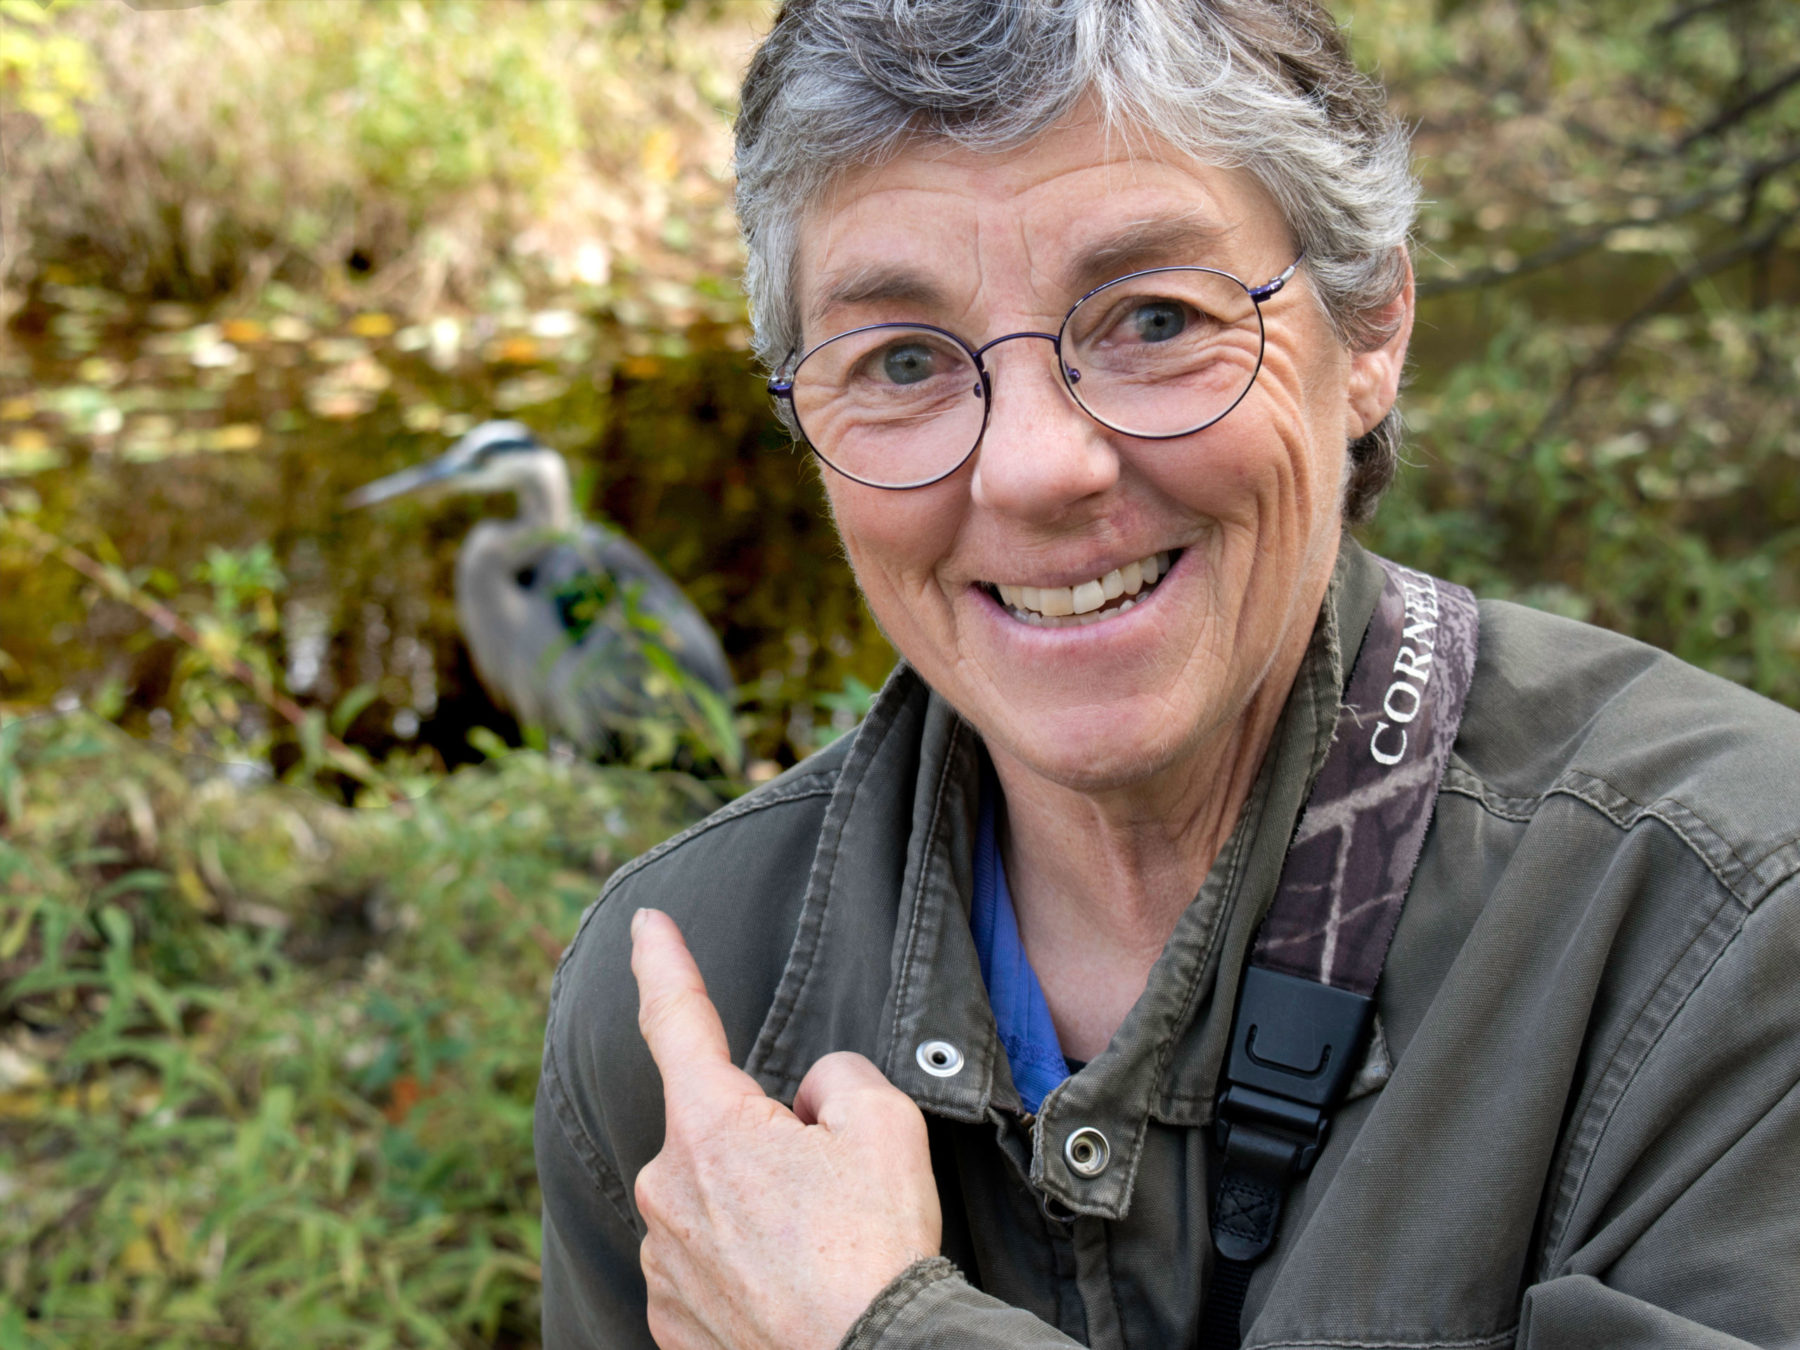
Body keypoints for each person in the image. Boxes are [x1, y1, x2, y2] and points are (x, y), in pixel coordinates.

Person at [533, 2, 1800, 1347]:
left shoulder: (1731, 929)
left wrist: (874, 1329)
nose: (1034, 466)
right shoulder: (690, 1005)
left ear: (1372, 329)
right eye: (903, 361)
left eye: (1153, 317)